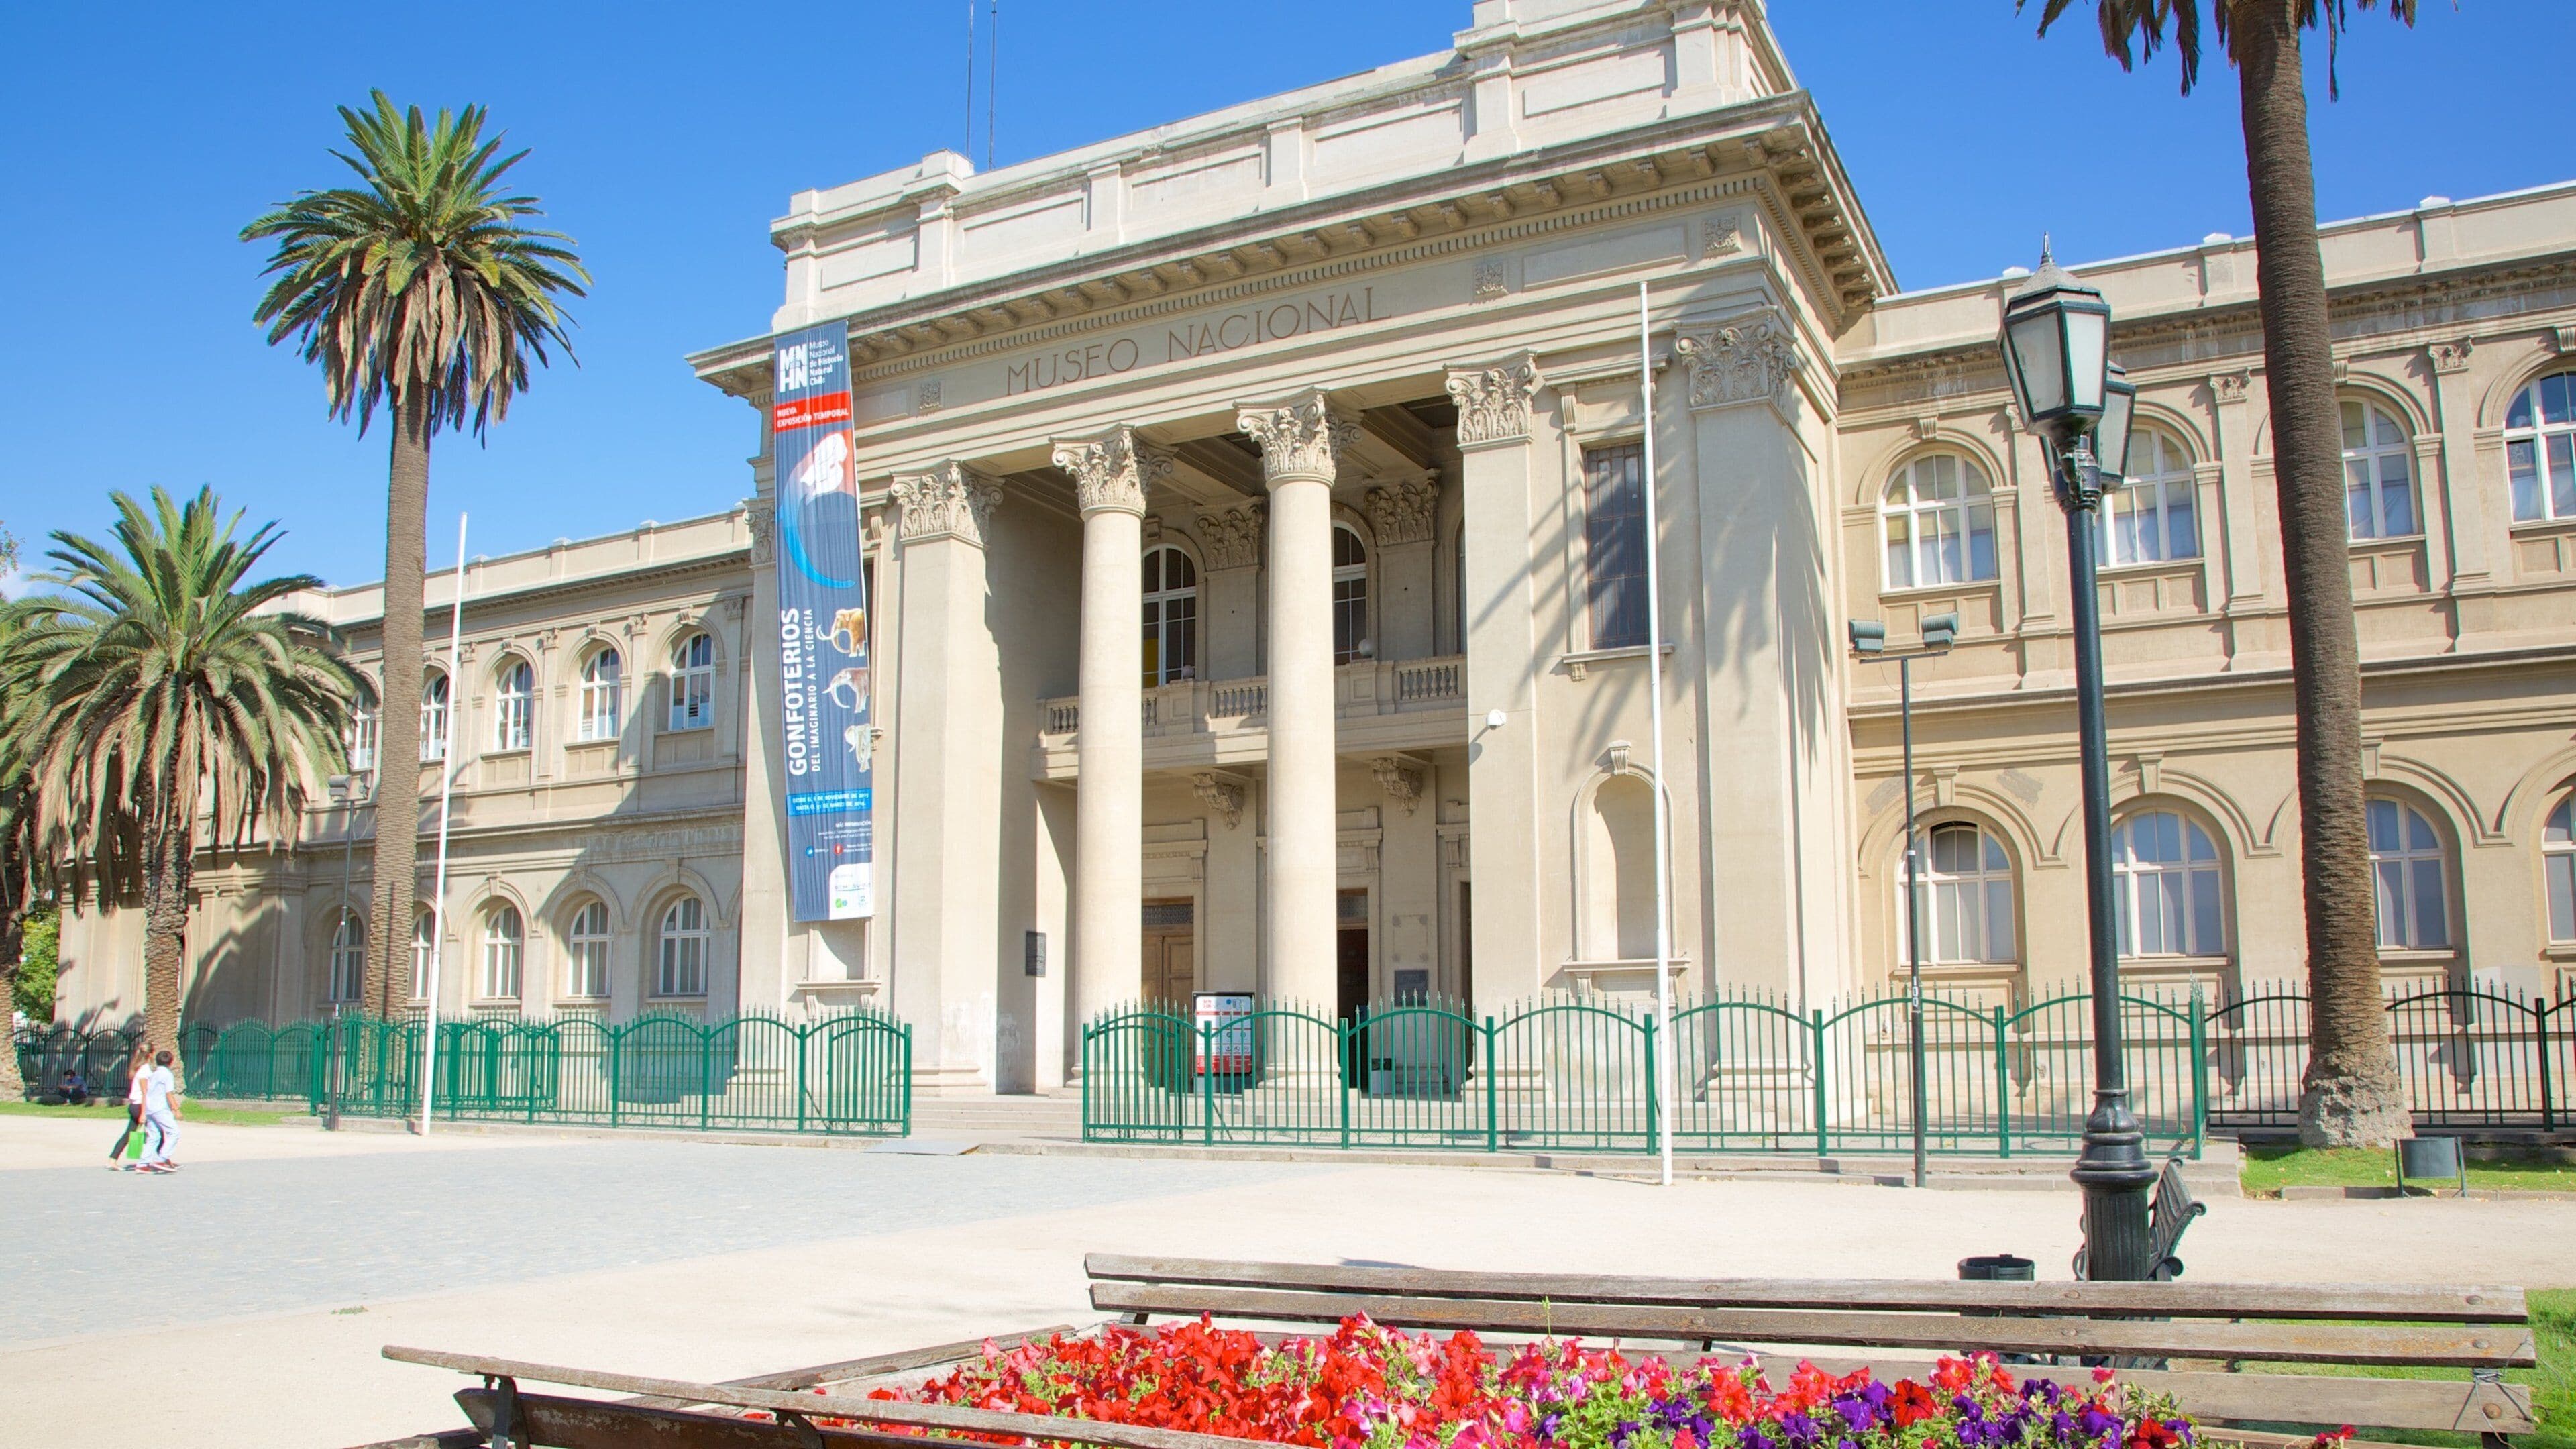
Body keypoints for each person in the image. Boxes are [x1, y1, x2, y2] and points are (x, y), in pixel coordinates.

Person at [137, 1049, 181, 1174]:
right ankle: (160, 1159)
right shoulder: (167, 1074)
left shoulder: (154, 1073)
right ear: (171, 1062)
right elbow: (169, 1093)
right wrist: (176, 1109)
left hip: (150, 1108)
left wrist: (144, 1111)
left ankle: (142, 1164)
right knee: (174, 1132)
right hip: (160, 1108)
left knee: (154, 1136)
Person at [107, 1045, 150, 1169]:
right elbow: (144, 1092)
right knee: (156, 1133)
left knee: (128, 1134)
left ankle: (112, 1159)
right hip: (140, 1106)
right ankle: (161, 1160)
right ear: (151, 1055)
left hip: (134, 1105)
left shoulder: (137, 1069)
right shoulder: (145, 1070)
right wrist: (143, 1113)